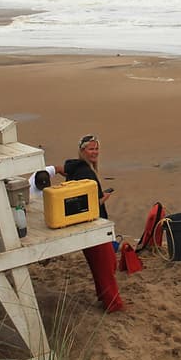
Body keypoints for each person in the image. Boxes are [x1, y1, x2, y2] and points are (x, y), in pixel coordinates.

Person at [62, 134, 124, 312]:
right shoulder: (85, 172)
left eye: (96, 149)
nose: (95, 152)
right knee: (106, 266)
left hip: (83, 225)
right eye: (91, 149)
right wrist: (103, 199)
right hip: (92, 225)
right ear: (82, 151)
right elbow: (87, 203)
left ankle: (104, 298)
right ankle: (114, 305)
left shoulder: (73, 168)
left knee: (100, 265)